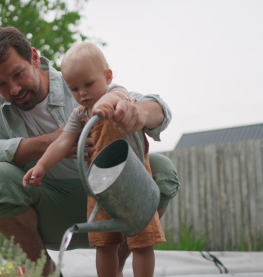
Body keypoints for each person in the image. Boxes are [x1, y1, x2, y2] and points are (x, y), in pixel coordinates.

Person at [0, 26, 179, 276]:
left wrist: (140, 111)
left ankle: (119, 270)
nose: (13, 89)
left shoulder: (80, 81)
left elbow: (156, 108)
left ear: (35, 58)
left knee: (162, 170)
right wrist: (45, 154)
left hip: (110, 195)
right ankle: (46, 272)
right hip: (51, 206)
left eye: (18, 74)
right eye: (1, 83)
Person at [23, 42, 165, 277]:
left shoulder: (117, 95)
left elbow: (113, 100)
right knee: (104, 244)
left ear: (107, 76)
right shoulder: (79, 114)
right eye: (74, 89)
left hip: (134, 184)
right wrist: (41, 166)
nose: (82, 93)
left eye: (88, 84)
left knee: (141, 242)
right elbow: (61, 142)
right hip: (100, 190)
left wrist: (104, 107)